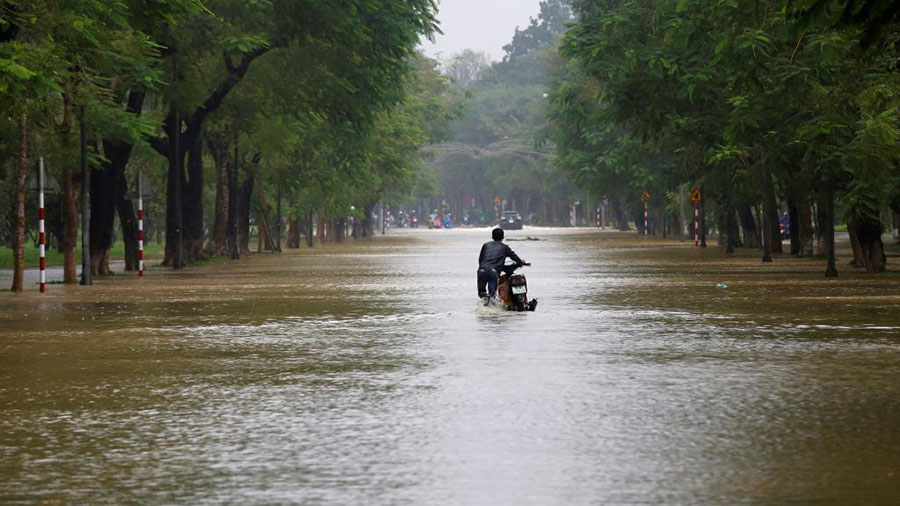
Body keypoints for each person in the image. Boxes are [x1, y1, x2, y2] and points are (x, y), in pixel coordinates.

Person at [477, 227, 529, 303]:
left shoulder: (485, 245)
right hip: (493, 272)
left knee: (481, 293)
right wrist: (522, 262)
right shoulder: (505, 247)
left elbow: (480, 259)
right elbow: (514, 257)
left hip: (482, 270)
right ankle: (493, 308)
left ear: (492, 237)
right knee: (492, 295)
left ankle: (485, 302)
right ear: (503, 237)